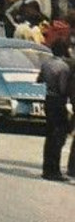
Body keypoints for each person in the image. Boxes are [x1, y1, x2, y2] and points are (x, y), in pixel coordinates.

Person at [36, 34, 72, 181]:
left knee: (49, 135)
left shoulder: (46, 64)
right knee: (58, 136)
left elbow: (39, 79)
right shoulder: (63, 67)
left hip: (48, 98)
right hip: (58, 101)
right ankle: (54, 170)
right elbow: (63, 89)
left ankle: (46, 168)